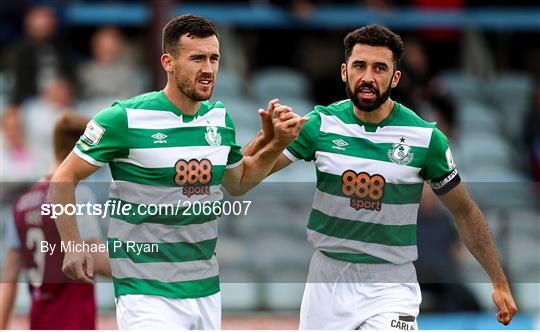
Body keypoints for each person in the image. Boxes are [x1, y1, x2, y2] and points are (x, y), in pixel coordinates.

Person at [50, 14, 306, 330]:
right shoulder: (124, 118)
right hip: (145, 291)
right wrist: (73, 246)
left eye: (214, 58)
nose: (208, 69)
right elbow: (63, 178)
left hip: (205, 288)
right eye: (197, 58)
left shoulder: (219, 119)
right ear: (168, 62)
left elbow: (239, 183)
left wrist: (278, 143)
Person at [259, 24, 517, 329]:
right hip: (326, 280)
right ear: (345, 71)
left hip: (390, 282)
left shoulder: (424, 138)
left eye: (379, 67)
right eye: (360, 66)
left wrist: (498, 280)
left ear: (395, 77)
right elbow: (244, 176)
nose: (368, 76)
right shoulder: (320, 125)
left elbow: (464, 210)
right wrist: (269, 140)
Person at [0, 112, 111, 330]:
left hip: (39, 322)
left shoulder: (22, 204)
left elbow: (9, 279)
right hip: (74, 322)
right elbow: (96, 259)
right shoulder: (78, 195)